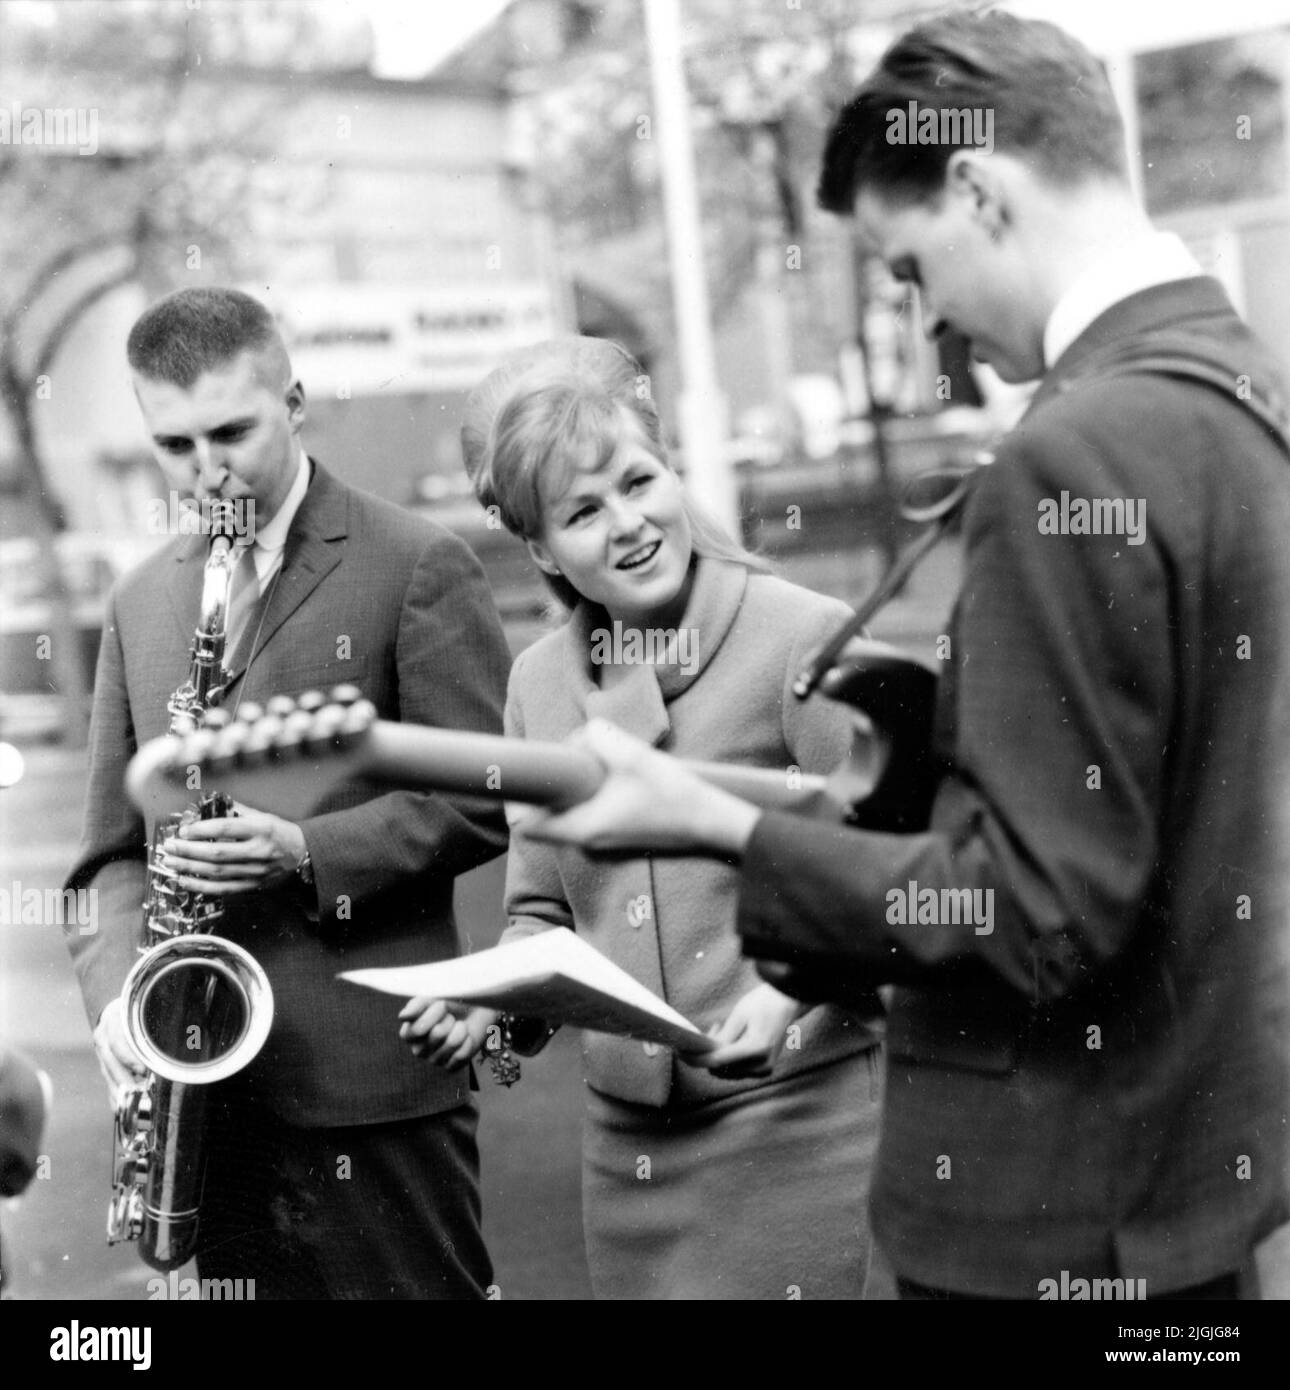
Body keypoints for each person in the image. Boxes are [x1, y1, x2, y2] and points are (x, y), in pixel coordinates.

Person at [510, 12, 1290, 1301]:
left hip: (1043, 1208)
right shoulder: (1239, 393)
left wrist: (723, 826)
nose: (928, 337)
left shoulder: (1078, 452)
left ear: (977, 188)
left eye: (909, 269)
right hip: (1186, 1192)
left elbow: (1031, 909)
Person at [401, 336, 889, 1300]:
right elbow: (542, 913)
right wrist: (492, 997)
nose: (628, 524)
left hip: (803, 1122)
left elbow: (911, 862)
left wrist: (798, 988)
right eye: (583, 512)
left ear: (673, 472)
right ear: (540, 549)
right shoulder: (538, 684)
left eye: (638, 480)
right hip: (629, 1155)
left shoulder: (800, 632)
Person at [64, 287, 512, 1299]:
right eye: (174, 446)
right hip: (203, 1102)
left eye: (232, 431)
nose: (207, 471)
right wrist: (118, 1014)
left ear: (296, 401)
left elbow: (486, 791)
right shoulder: (140, 600)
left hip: (373, 1085)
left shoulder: (414, 562)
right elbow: (105, 857)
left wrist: (305, 853)